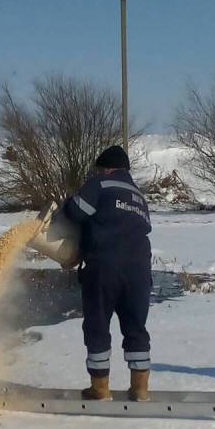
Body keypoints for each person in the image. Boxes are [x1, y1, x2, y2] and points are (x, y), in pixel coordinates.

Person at [63, 145, 153, 401]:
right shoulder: (138, 195)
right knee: (135, 327)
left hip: (104, 266)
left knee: (97, 326)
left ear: (106, 168)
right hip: (139, 269)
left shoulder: (100, 183)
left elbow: (75, 212)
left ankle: (100, 389)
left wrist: (69, 201)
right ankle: (140, 389)